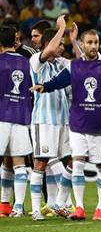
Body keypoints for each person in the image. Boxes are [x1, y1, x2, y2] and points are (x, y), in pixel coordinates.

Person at [37, 29, 101, 221]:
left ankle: (100, 208)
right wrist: (43, 87)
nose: (93, 46)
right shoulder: (74, 66)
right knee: (77, 164)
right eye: (90, 43)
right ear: (82, 45)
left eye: (96, 42)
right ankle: (80, 208)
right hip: (77, 124)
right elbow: (57, 82)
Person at [28, 15, 74, 218]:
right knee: (40, 162)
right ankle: (37, 209)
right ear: (49, 44)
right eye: (59, 42)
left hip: (63, 121)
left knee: (71, 161)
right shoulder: (36, 62)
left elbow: (81, 65)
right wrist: (61, 28)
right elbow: (49, 51)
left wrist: (74, 40)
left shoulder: (62, 65)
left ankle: (59, 203)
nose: (61, 46)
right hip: (43, 120)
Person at [0, 24, 34, 217]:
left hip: (1, 116)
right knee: (19, 163)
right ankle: (18, 207)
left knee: (5, 161)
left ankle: (4, 204)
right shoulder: (27, 62)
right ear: (15, 41)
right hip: (21, 117)